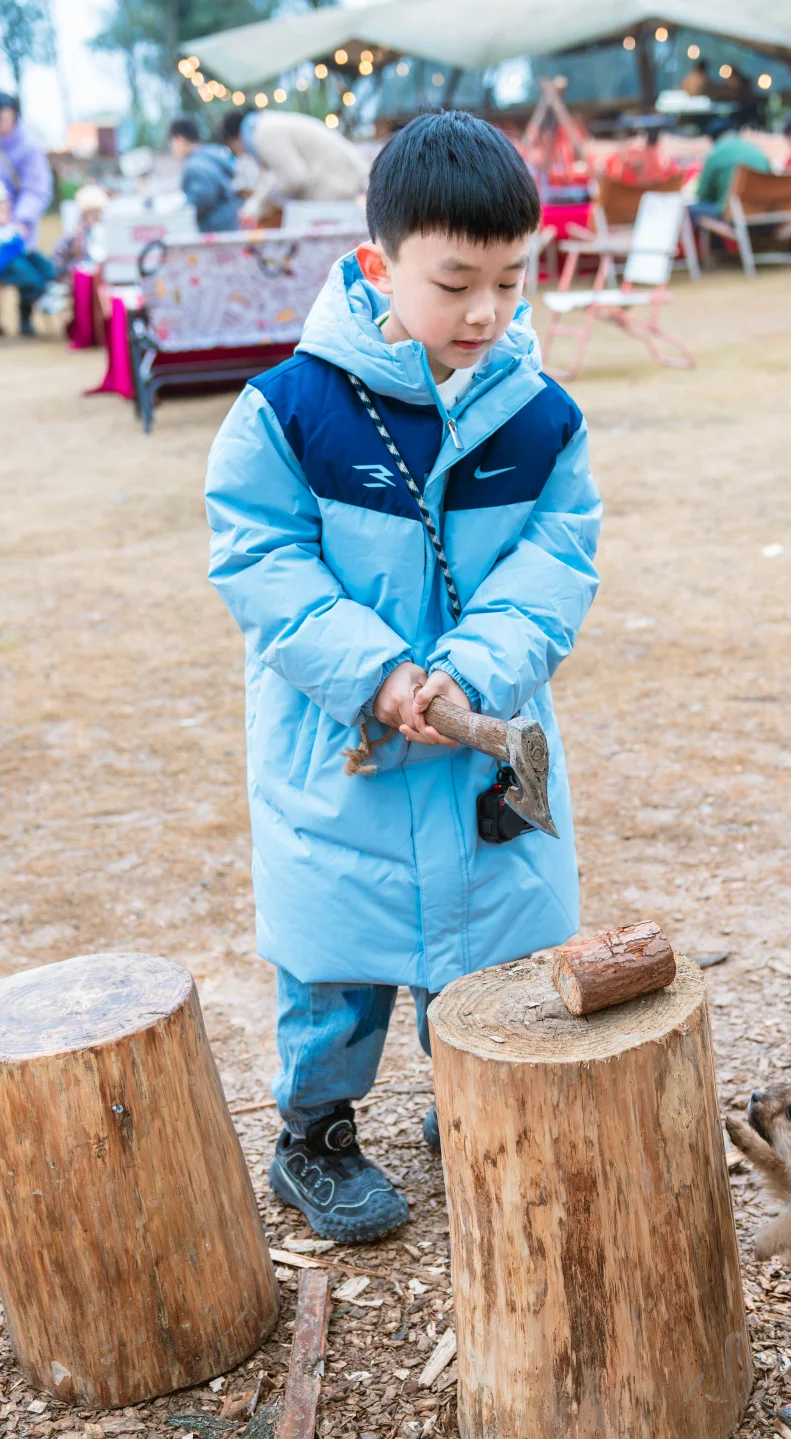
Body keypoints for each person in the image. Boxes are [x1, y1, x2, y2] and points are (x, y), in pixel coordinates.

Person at [204, 110, 601, 1243]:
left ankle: (473, 1092)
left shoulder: (542, 416)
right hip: (346, 749)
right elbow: (261, 557)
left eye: (511, 280)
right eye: (455, 283)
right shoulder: (290, 409)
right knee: (335, 965)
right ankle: (315, 1133)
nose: (486, 312)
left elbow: (555, 561)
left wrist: (473, 673)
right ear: (378, 266)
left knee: (491, 950)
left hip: (480, 738)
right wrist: (376, 671)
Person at [220, 108, 371, 226]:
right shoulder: (265, 124)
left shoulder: (262, 134)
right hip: (341, 179)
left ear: (233, 139)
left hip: (334, 185)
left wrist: (255, 207)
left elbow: (292, 177)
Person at [0, 93, 54, 336]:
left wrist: (21, 219)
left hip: (19, 228)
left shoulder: (29, 147)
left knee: (34, 273)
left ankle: (26, 318)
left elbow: (36, 187)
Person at [689, 120, 771, 236]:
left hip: (734, 218)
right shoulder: (757, 151)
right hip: (765, 216)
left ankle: (711, 248)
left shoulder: (715, 154)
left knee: (687, 211)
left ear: (712, 139)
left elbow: (703, 195)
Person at [168, 117, 240, 233]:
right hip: (231, 223)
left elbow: (204, 197)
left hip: (216, 231)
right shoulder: (213, 154)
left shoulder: (194, 165)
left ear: (179, 140)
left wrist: (183, 205)